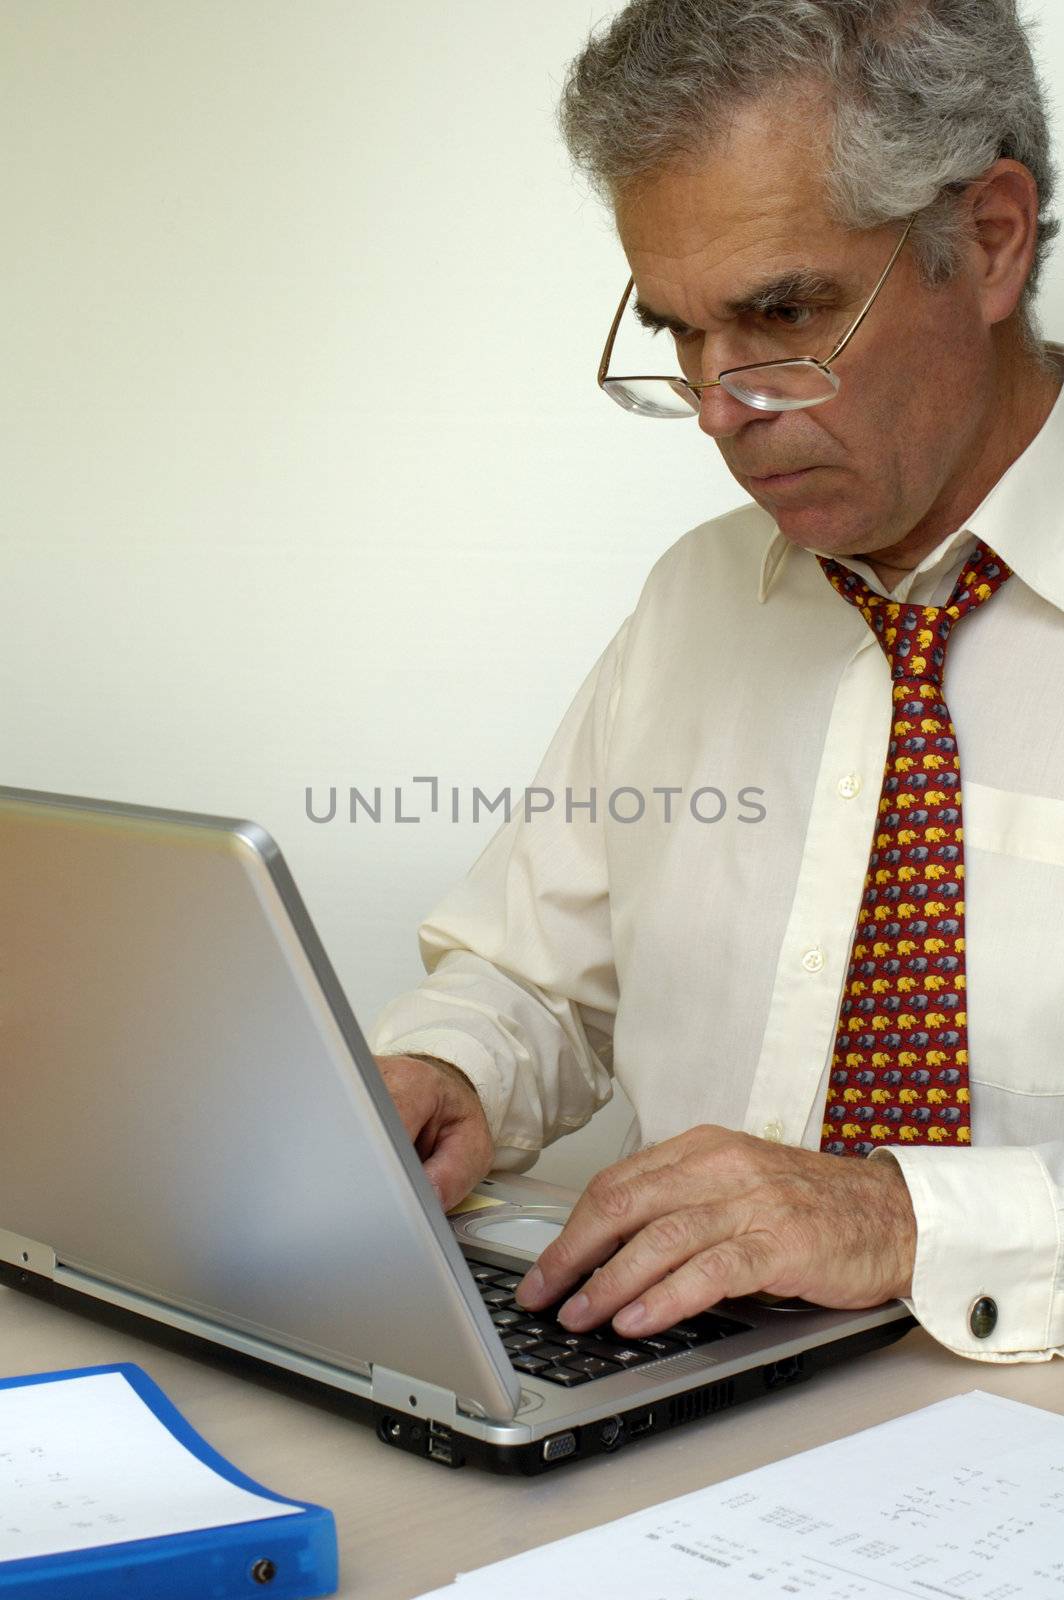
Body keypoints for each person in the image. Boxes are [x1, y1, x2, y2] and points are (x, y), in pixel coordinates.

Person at [370, 0, 1064, 1364]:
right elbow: (542, 980)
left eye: (782, 312)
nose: (722, 408)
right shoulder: (696, 602)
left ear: (988, 240)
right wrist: (452, 1070)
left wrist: (908, 1219)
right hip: (694, 1437)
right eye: (681, 332)